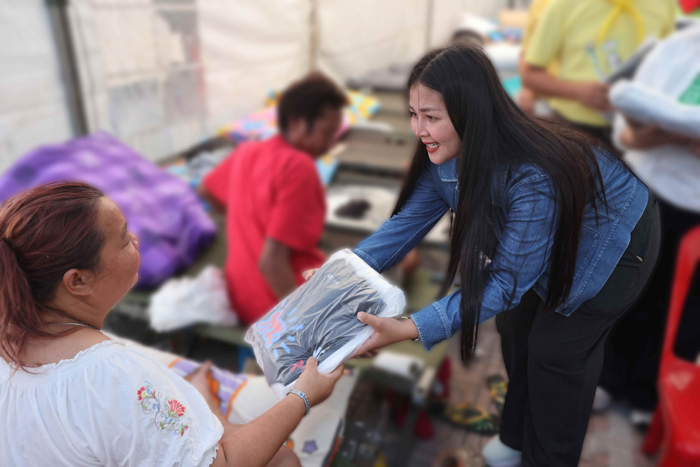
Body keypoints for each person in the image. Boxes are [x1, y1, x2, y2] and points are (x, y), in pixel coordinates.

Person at [307, 44, 660, 466]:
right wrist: (338, 275)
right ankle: (514, 439)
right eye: (413, 114)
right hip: (561, 233)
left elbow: (506, 284)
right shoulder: (446, 157)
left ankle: (547, 459)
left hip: (614, 242)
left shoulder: (530, 176)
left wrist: (408, 328)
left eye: (431, 117)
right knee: (514, 326)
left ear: (470, 112)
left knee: (555, 354)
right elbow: (403, 226)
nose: (418, 129)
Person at [0, 182, 343, 466]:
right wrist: (302, 395)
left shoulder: (12, 340)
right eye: (123, 238)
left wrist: (203, 403)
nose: (136, 240)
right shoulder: (114, 374)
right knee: (284, 460)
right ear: (78, 281)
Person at [598, 23, 700, 424]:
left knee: (682, 309)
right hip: (644, 192)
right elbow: (626, 134)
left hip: (695, 213)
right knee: (625, 290)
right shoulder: (679, 47)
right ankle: (606, 378)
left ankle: (651, 395)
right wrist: (666, 137)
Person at [198, 73, 347, 325]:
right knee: (394, 268)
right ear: (297, 122)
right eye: (327, 133)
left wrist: (244, 219)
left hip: (240, 295)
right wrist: (302, 324)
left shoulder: (247, 151)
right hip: (275, 301)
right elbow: (271, 263)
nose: (331, 145)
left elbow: (205, 190)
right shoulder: (299, 166)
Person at [521, 0, 676, 148]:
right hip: (574, 133)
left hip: (643, 136)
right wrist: (575, 91)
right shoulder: (562, 4)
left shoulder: (665, 3)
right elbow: (529, 74)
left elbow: (671, 65)